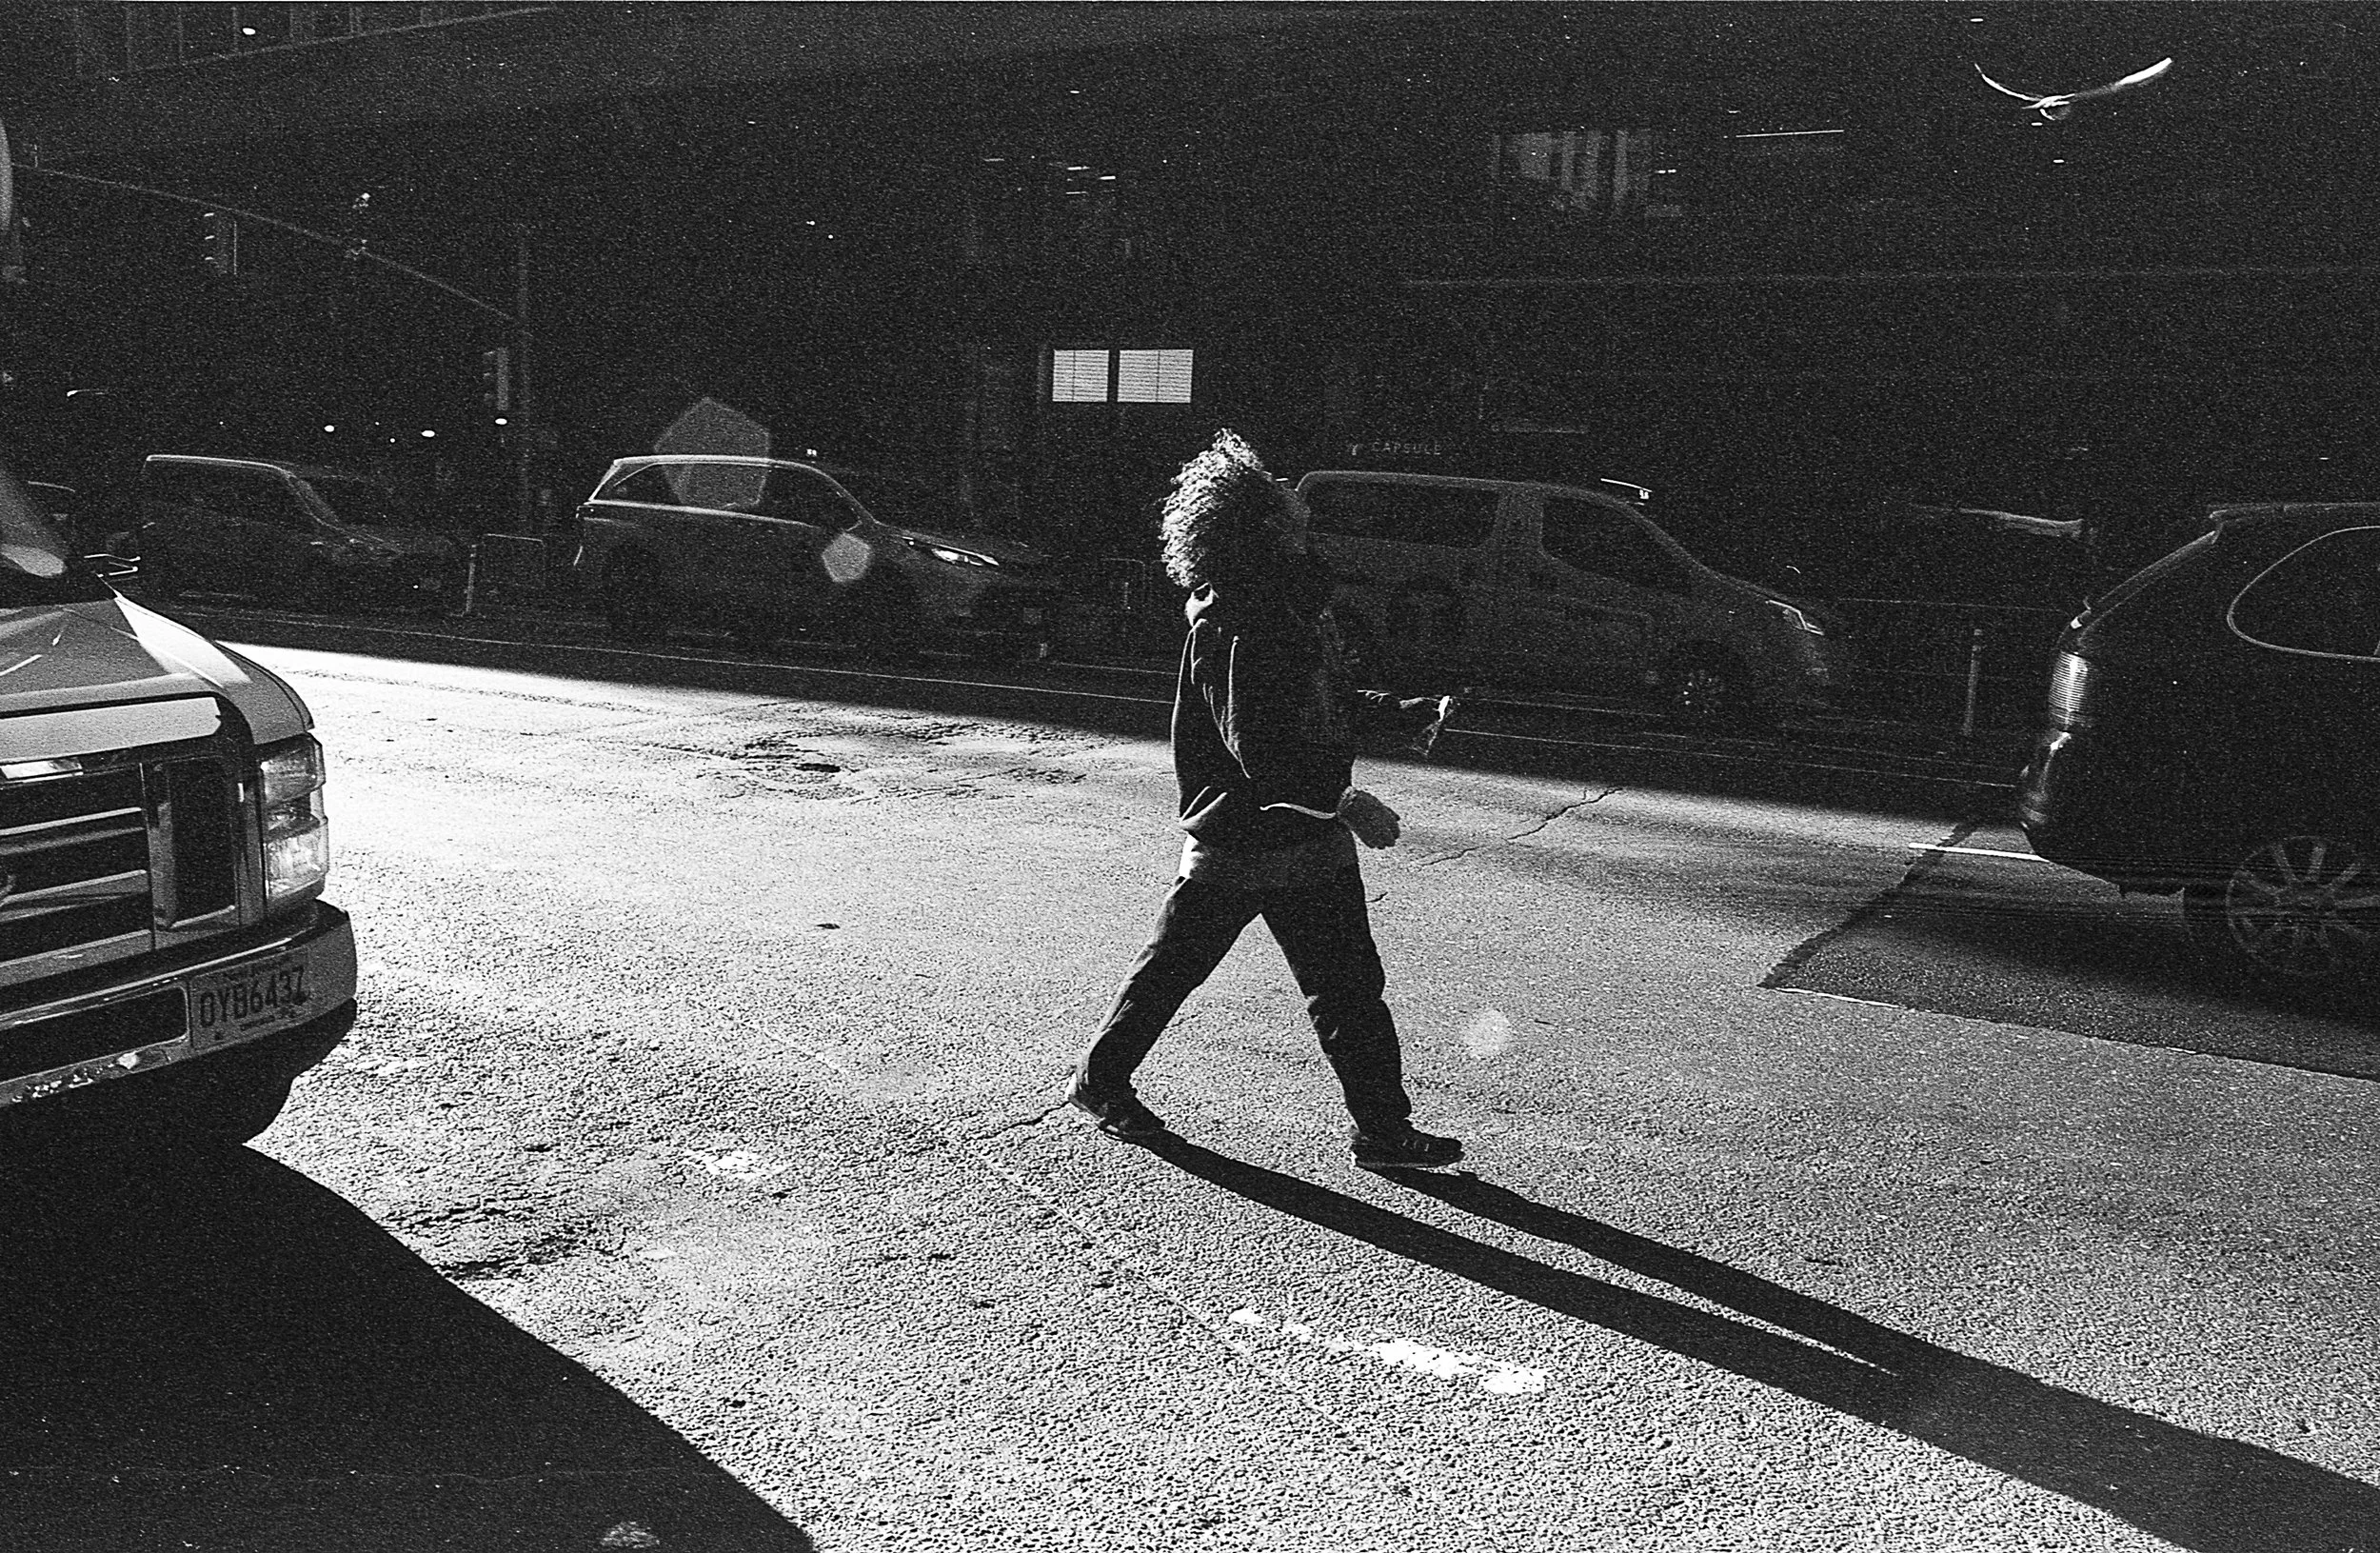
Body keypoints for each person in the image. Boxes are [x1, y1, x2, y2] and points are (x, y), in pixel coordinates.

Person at [1067, 429, 1465, 1171]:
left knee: (1348, 993)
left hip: (1302, 842)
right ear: (1263, 524)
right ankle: (1099, 1080)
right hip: (1244, 843)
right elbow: (1265, 751)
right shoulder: (1238, 624)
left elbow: (1324, 701)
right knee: (1176, 976)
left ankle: (1383, 1131)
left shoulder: (1290, 601)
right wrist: (1349, 801)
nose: (1291, 488)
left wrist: (1403, 712)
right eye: (1275, 487)